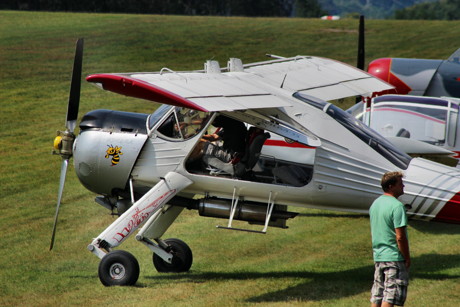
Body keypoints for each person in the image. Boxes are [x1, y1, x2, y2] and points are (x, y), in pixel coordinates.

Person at [369, 171, 410, 307]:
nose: (403, 186)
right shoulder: (397, 206)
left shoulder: (375, 204)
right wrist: (406, 257)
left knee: (378, 295)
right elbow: (400, 236)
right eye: (400, 183)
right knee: (391, 295)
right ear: (391, 186)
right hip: (394, 257)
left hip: (379, 256)